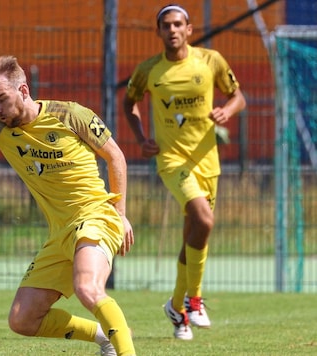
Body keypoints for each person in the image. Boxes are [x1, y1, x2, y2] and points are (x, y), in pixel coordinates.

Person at [0, 47, 136, 356]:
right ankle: (105, 335)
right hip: (60, 234)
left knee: (88, 288)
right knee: (23, 319)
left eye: (2, 99)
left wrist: (120, 214)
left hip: (96, 217)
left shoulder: (70, 114)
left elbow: (116, 157)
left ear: (24, 90)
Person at [123, 4, 246, 340]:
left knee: (193, 232)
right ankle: (193, 301)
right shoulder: (149, 70)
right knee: (204, 219)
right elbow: (129, 102)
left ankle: (176, 309)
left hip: (208, 161)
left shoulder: (210, 61)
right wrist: (141, 138)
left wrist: (226, 111)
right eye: (166, 25)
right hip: (171, 160)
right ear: (159, 31)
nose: (173, 30)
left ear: (189, 29)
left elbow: (238, 97)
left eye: (178, 24)